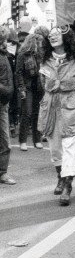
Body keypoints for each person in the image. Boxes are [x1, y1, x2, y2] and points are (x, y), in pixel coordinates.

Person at [38, 23, 75, 205]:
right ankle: (60, 176)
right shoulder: (45, 59)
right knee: (55, 147)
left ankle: (68, 184)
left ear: (66, 38)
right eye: (50, 35)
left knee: (70, 146)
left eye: (56, 34)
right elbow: (42, 84)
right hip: (51, 107)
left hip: (72, 106)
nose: (52, 37)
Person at [15, 34, 44, 151]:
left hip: (38, 87)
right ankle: (23, 140)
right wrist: (21, 88)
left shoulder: (39, 55)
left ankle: (37, 140)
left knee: (37, 113)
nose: (41, 45)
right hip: (27, 87)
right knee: (26, 113)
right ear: (34, 43)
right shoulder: (22, 55)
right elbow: (18, 72)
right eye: (40, 42)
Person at [0, 26, 16, 185]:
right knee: (5, 140)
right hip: (2, 100)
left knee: (5, 140)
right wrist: (5, 90)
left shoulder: (4, 55)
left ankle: (2, 172)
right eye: (5, 39)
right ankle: (2, 173)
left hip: (4, 102)